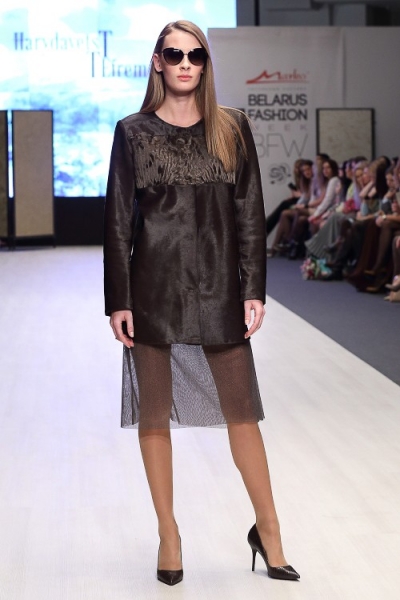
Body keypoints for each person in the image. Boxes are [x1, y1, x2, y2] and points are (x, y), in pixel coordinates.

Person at [103, 20, 299, 586]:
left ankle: (269, 529)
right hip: (152, 287)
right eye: (174, 54)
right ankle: (169, 534)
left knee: (242, 411)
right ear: (157, 62)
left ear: (206, 63)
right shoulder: (133, 132)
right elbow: (117, 221)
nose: (186, 63)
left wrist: (254, 286)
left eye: (196, 55)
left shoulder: (232, 127)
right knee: (153, 414)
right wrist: (119, 299)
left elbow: (250, 212)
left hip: (218, 286)